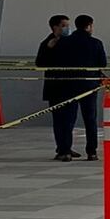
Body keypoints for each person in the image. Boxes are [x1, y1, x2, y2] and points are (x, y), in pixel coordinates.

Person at [56, 14, 107, 162]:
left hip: (68, 84)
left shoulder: (64, 42)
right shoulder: (96, 43)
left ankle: (65, 151)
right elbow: (102, 63)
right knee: (90, 119)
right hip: (89, 85)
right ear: (89, 26)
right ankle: (91, 152)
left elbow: (59, 61)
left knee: (68, 119)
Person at [36, 15, 77, 160]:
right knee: (60, 120)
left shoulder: (71, 42)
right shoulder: (47, 43)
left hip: (71, 86)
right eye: (64, 25)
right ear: (55, 27)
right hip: (55, 88)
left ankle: (66, 146)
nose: (67, 28)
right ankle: (63, 150)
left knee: (70, 119)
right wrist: (49, 49)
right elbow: (40, 63)